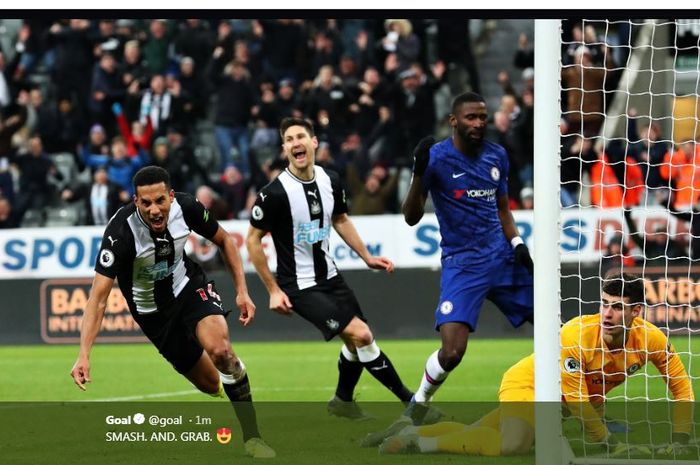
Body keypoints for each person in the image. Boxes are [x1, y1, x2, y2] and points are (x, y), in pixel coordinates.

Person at [368, 272, 694, 458]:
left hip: (558, 401)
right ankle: (422, 444)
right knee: (513, 445)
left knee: (475, 433)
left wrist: (680, 437)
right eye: (604, 304)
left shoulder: (650, 339)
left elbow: (680, 384)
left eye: (618, 308)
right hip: (529, 384)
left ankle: (411, 430)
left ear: (636, 312)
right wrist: (611, 443)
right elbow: (579, 403)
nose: (607, 314)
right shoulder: (576, 334)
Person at [69, 166, 275, 458]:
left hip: (188, 288)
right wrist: (84, 354)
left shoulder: (187, 207)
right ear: (135, 201)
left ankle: (252, 437)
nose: (155, 210)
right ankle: (227, 373)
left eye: (160, 201)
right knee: (211, 383)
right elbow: (98, 299)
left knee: (221, 352)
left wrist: (242, 291)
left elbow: (226, 240)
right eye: (146, 203)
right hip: (153, 314)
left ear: (171, 196)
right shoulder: (120, 233)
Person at [246, 117, 418, 420]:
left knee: (355, 344)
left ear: (314, 143)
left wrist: (366, 256)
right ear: (285, 148)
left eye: (301, 136)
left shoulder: (331, 179)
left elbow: (340, 219)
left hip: (330, 275)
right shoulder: (274, 193)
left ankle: (342, 401)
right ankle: (413, 405)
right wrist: (273, 290)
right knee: (362, 335)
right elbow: (252, 241)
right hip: (298, 285)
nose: (296, 143)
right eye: (289, 139)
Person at [400, 91, 534, 425]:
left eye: (483, 117)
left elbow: (503, 208)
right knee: (452, 352)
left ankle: (583, 410)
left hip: (502, 258)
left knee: (557, 330)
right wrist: (418, 172)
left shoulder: (497, 156)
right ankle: (419, 402)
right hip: (463, 264)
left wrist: (517, 243)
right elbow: (411, 217)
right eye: (471, 117)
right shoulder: (436, 158)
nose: (478, 123)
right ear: (453, 121)